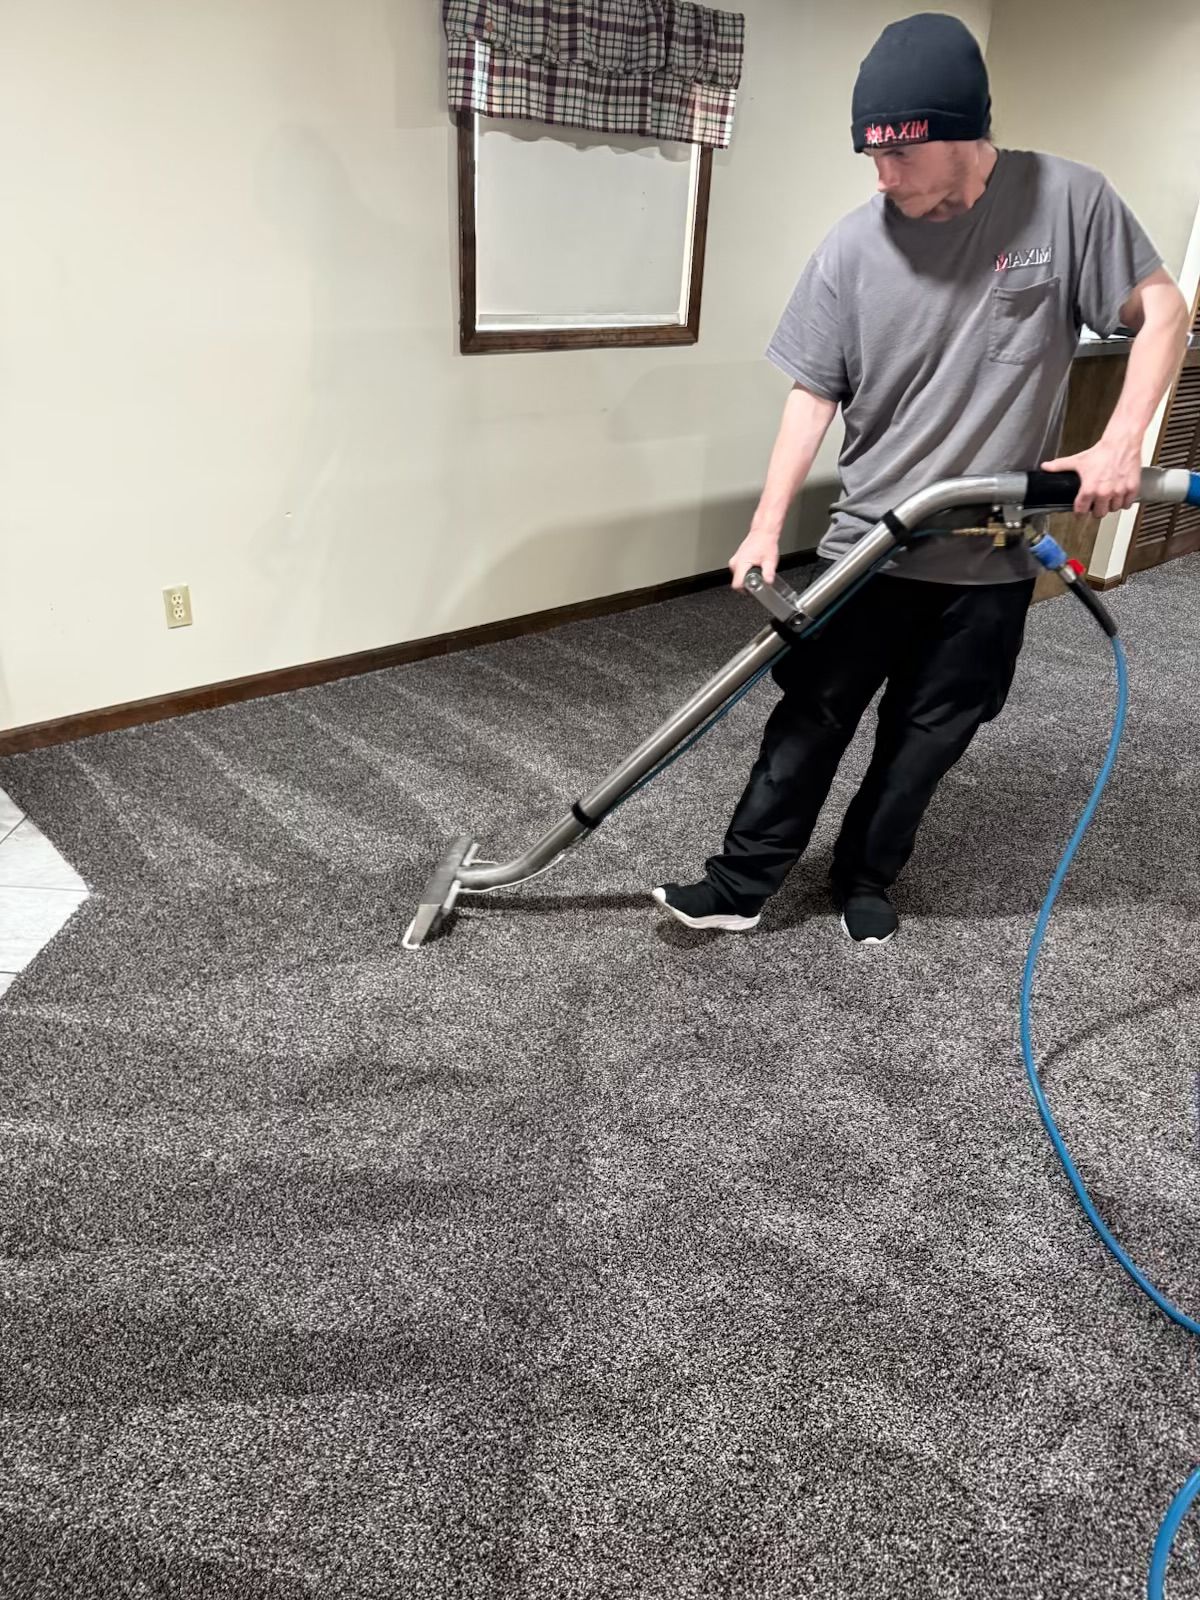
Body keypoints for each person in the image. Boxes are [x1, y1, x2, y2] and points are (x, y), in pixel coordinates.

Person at [652, 11, 1190, 945]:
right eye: (871, 153)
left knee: (929, 739)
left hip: (991, 554)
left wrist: (1121, 443)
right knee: (808, 720)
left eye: (904, 153)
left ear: (968, 134)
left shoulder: (1067, 202)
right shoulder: (851, 247)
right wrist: (763, 525)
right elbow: (810, 395)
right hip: (869, 546)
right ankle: (742, 883)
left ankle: (866, 877)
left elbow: (1163, 309)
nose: (882, 174)